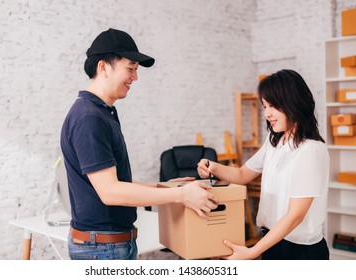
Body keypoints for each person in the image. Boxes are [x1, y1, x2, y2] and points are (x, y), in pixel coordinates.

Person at [60, 28, 218, 260]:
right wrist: (181, 196)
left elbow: (114, 182)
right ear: (103, 67)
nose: (135, 77)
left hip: (108, 246)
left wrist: (164, 186)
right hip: (103, 249)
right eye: (130, 69)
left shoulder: (100, 113)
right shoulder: (89, 118)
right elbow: (110, 192)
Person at [197, 69, 330, 260]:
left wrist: (252, 252)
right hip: (272, 242)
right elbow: (242, 174)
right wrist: (212, 166)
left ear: (293, 103)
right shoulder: (274, 141)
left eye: (273, 106)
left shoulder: (310, 150)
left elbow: (295, 216)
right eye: (264, 106)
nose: (267, 114)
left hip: (299, 251)